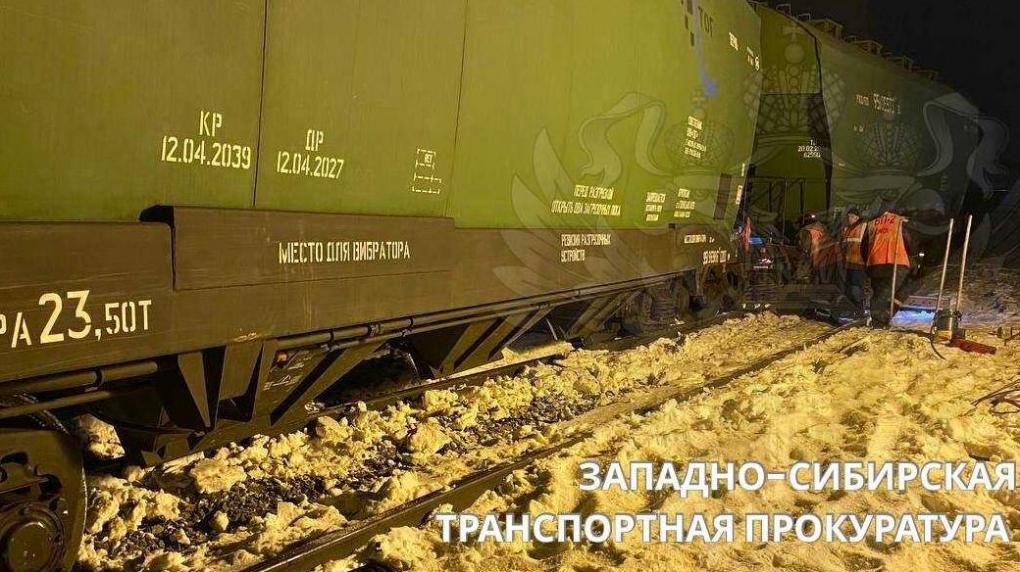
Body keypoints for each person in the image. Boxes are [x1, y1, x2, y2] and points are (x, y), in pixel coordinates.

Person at [864, 207, 912, 327]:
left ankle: (878, 321)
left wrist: (868, 261)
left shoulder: (871, 223)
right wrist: (911, 254)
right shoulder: (899, 220)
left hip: (874, 264)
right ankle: (880, 321)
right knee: (901, 288)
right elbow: (908, 241)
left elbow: (863, 245)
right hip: (896, 261)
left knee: (879, 292)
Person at [840, 208, 868, 316]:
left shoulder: (863, 227)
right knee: (848, 288)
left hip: (858, 264)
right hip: (848, 264)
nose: (849, 219)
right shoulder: (847, 230)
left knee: (855, 288)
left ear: (857, 218)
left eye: (852, 217)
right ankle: (851, 310)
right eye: (849, 217)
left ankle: (860, 310)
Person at [797, 213, 838, 285]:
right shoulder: (823, 228)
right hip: (830, 254)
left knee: (817, 274)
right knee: (825, 276)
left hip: (818, 254)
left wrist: (803, 253)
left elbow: (805, 247)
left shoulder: (806, 231)